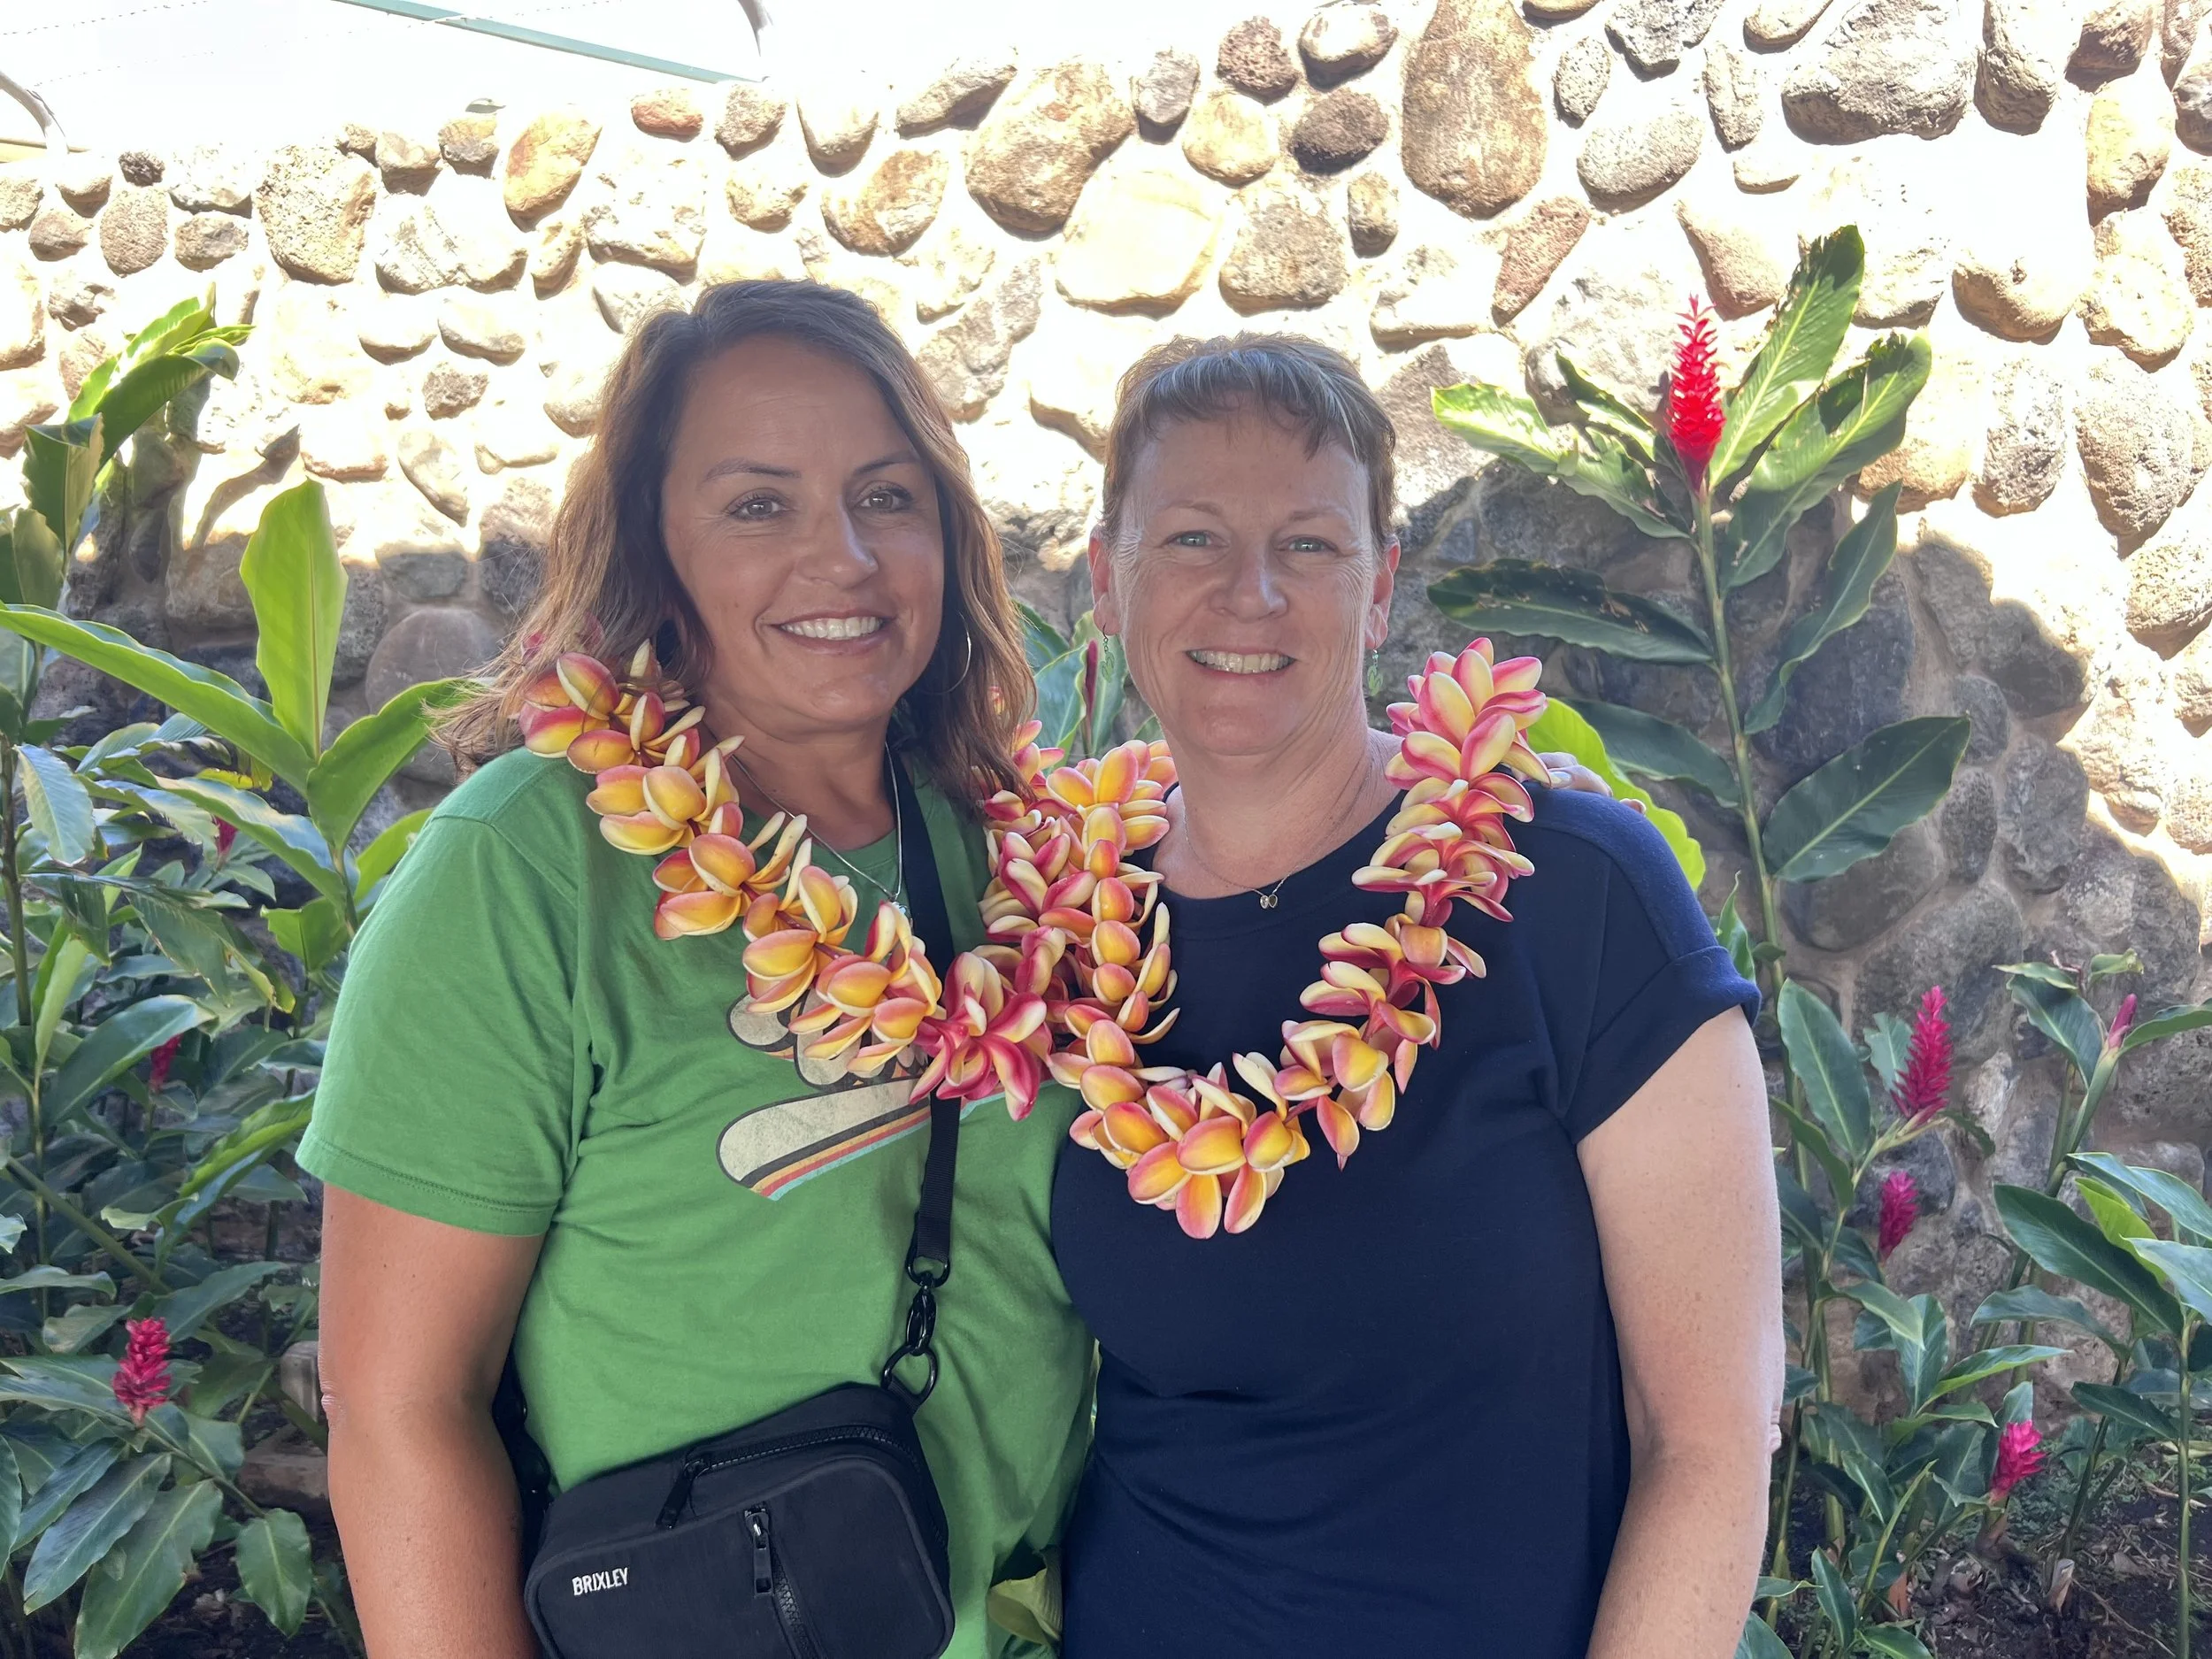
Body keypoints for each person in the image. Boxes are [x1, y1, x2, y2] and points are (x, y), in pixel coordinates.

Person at [302, 281, 1094, 1658]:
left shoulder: (1018, 850)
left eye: (888, 496)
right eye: (758, 504)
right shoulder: (526, 869)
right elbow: (396, 1407)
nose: (840, 556)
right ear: (658, 551)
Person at [1051, 335, 1783, 1659]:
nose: (1251, 594)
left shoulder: (1570, 893)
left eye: (1312, 546)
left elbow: (1712, 1439)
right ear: (1109, 579)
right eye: (1194, 541)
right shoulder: (1069, 925)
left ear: (1383, 586)